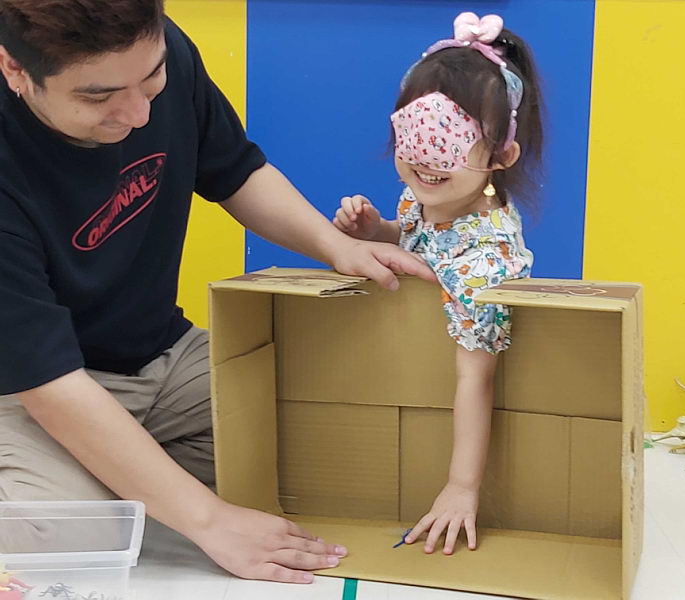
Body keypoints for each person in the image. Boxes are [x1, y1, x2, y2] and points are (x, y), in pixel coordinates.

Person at [0, 0, 434, 584]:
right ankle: (95, 474)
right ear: (15, 68)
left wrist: (336, 247)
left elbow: (236, 170)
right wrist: (210, 521)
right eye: (98, 97)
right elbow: (49, 384)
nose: (137, 112)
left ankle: (116, 470)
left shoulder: (156, 47)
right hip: (28, 390)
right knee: (73, 538)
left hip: (161, 354)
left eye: (152, 78)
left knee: (331, 430)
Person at [333, 12, 543, 555]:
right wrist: (376, 231)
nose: (426, 156)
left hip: (450, 382)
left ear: (502, 156)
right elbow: (412, 240)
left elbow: (477, 379)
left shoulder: (484, 265)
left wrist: (461, 487)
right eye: (415, 132)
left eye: (448, 138)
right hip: (409, 368)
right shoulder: (426, 197)